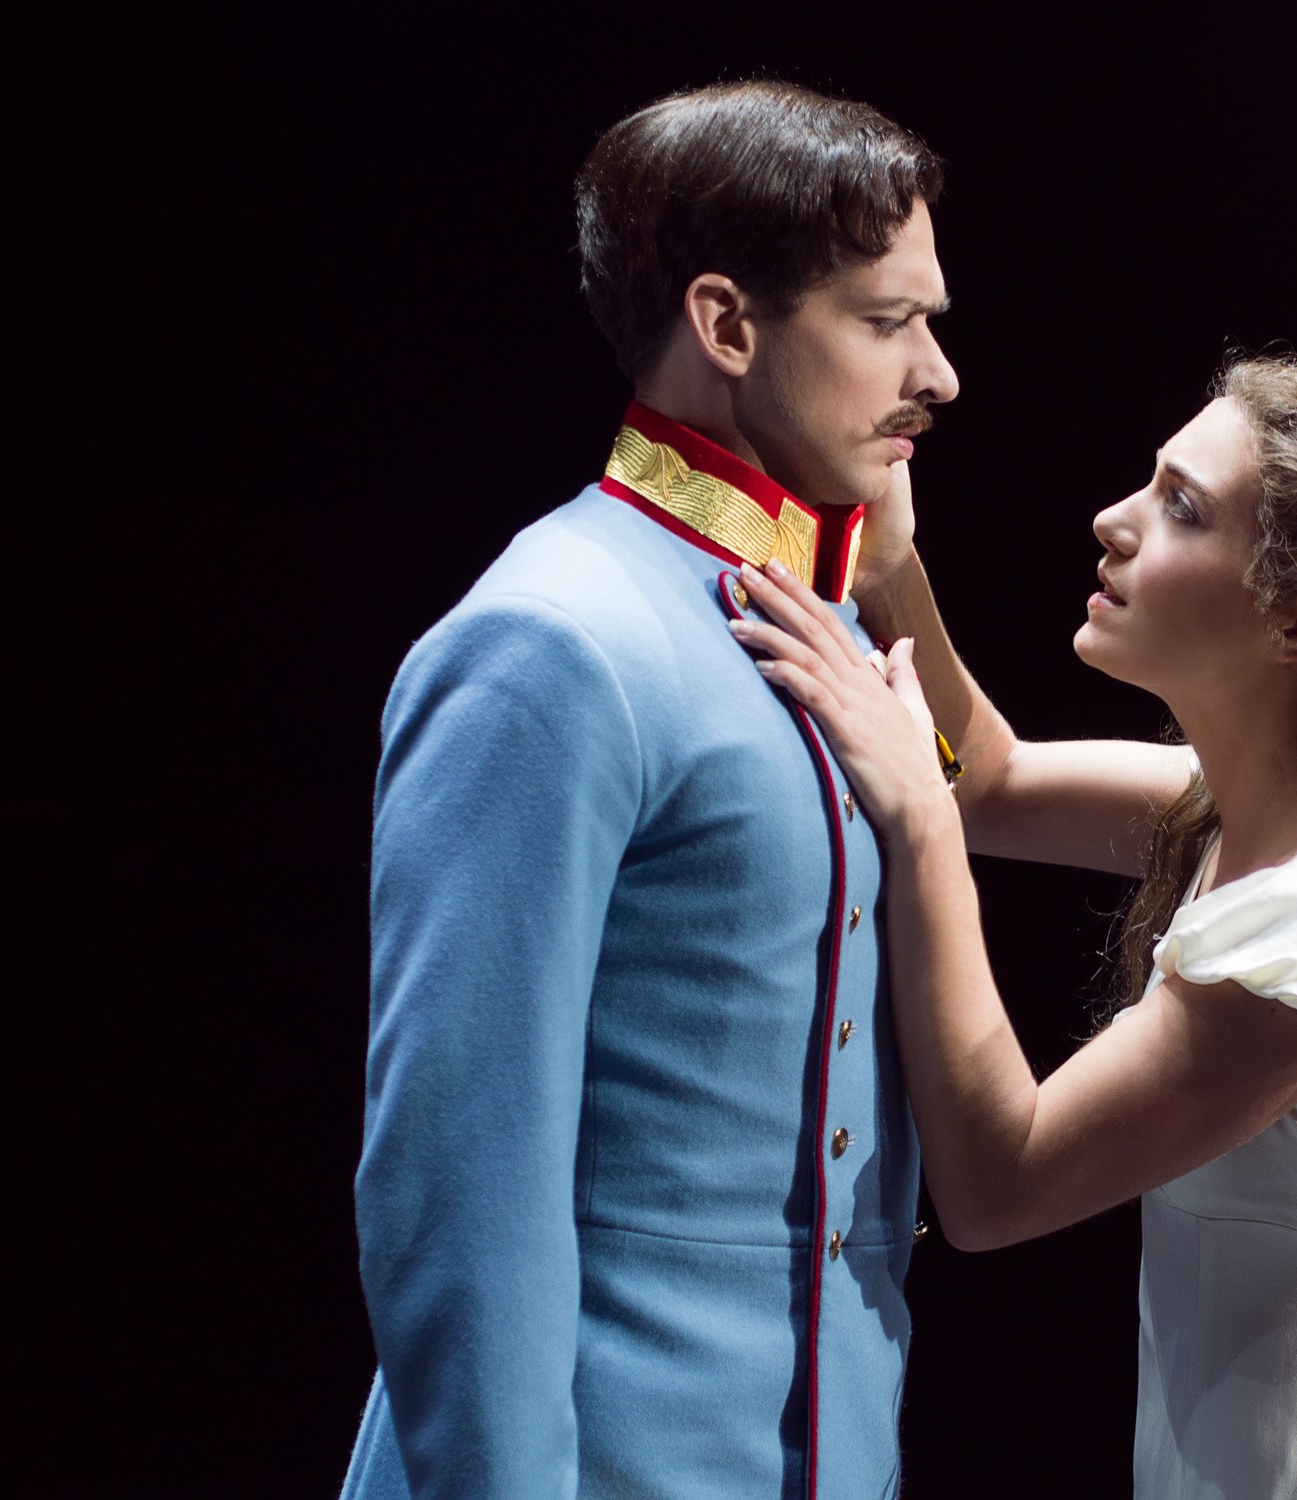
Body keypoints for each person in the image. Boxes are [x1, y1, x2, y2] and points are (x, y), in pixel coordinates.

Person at [738, 356, 1297, 1498]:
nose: (1113, 521)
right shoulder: (1255, 813)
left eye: (1180, 507)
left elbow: (996, 1184)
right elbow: (994, 782)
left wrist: (914, 819)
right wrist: (889, 566)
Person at [341, 82, 958, 1500]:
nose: (938, 374)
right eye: (888, 322)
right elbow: (457, 1185)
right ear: (726, 324)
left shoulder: (818, 615)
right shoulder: (551, 640)